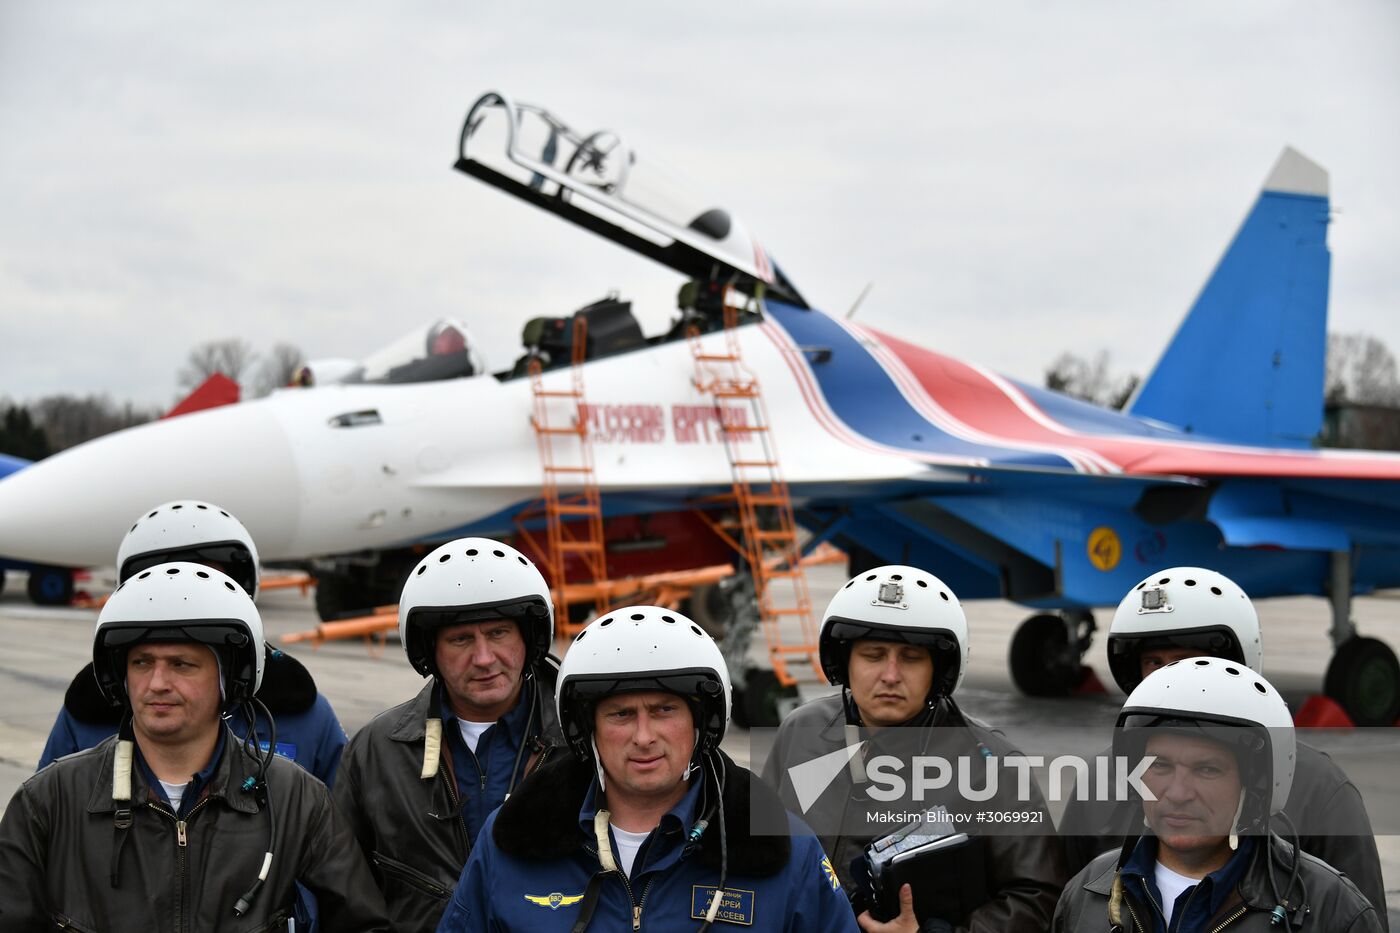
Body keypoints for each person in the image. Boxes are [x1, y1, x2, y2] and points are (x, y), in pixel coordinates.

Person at [0, 562, 390, 930]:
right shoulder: (49, 801)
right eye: (142, 663)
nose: (157, 683)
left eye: (181, 664)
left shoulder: (296, 800)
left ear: (229, 680)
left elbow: (362, 923)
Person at [436, 604, 859, 932]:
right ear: (588, 730)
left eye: (663, 710)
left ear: (701, 723)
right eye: (621, 714)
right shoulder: (510, 841)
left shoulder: (788, 852)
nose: (643, 736)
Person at [1059, 567, 1386, 925]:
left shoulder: (1318, 787)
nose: (1173, 675)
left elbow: (1352, 912)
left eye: (1190, 659)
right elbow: (1076, 903)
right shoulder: (1102, 779)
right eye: (1154, 662)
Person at [761, 565, 1067, 933]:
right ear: (845, 662)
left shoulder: (993, 765)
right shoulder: (801, 733)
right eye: (873, 655)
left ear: (939, 670)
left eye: (911, 657)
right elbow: (758, 856)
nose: (890, 675)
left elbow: (1038, 899)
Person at [333, 537, 564, 932]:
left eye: (498, 633)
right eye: (461, 639)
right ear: (430, 650)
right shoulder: (375, 752)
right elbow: (342, 895)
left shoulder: (581, 746)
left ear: (528, 638)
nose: (484, 658)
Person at [38, 499, 348, 788]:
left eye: (204, 576)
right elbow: (49, 811)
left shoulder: (298, 705)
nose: (185, 592)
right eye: (166, 576)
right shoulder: (90, 705)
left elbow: (338, 817)